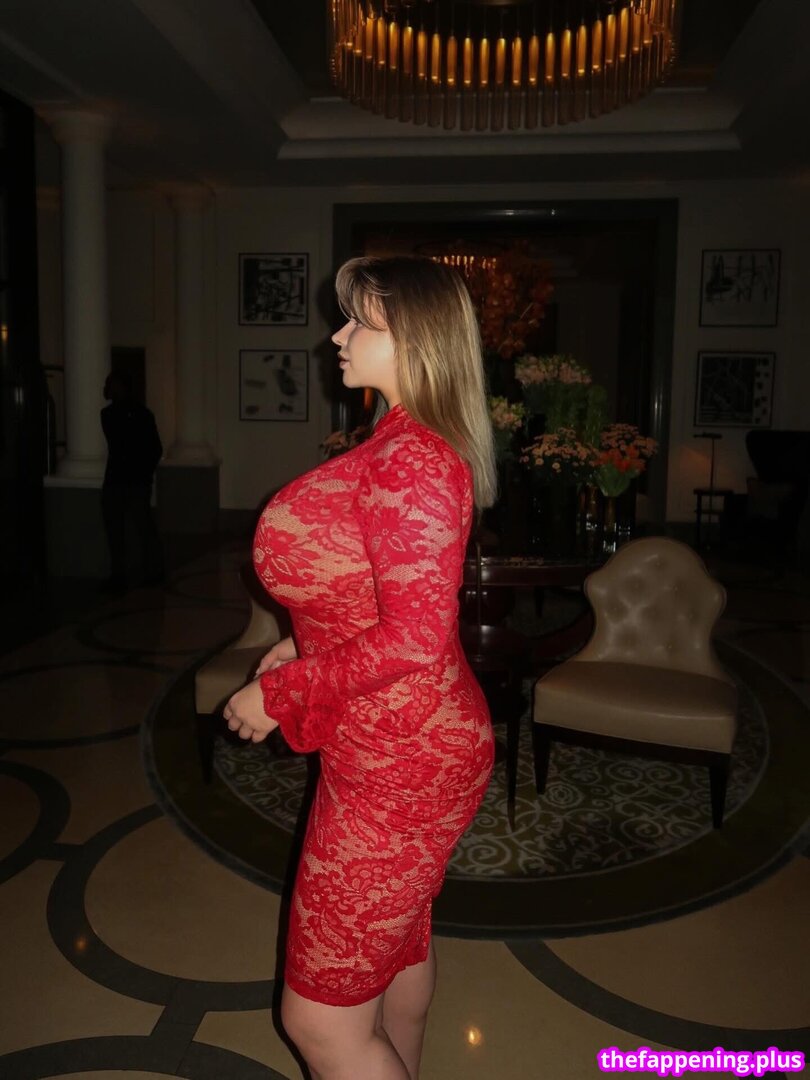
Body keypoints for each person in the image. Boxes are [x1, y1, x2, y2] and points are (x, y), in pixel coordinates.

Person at [223, 255, 498, 1080]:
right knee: (397, 948)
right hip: (400, 743)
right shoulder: (402, 442)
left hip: (404, 760)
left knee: (317, 1021)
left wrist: (281, 691)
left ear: (417, 341)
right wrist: (306, 638)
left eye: (360, 322)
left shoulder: (415, 459)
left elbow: (415, 637)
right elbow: (375, 594)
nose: (336, 336)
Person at [100, 370, 164, 591]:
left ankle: (137, 573)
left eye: (112, 385)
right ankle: (143, 572)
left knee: (133, 528)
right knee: (133, 528)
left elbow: (152, 448)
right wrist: (144, 473)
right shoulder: (136, 414)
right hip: (128, 480)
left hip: (127, 480)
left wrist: (143, 473)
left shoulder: (115, 415)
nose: (108, 389)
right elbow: (153, 448)